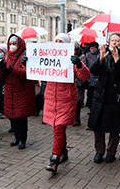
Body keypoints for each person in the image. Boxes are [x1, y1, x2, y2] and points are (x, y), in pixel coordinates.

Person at [88, 32, 120, 164]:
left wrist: (117, 61)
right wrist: (100, 59)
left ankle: (111, 151)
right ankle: (99, 151)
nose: (114, 43)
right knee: (97, 126)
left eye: (117, 40)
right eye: (112, 40)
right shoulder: (105, 54)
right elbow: (93, 71)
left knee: (115, 127)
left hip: (116, 97)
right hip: (100, 96)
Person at [43, 34, 90, 173]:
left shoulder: (72, 58)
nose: (58, 43)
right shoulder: (49, 57)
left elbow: (85, 76)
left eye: (61, 41)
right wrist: (27, 62)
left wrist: (79, 65)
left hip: (66, 99)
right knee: (57, 128)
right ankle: (63, 152)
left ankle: (54, 159)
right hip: (51, 97)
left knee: (59, 128)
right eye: (56, 41)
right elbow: (36, 71)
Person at [0, 34, 35, 149]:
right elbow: (0, 74)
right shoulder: (7, 56)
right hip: (10, 91)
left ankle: (23, 140)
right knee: (13, 117)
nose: (12, 46)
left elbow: (27, 73)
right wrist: (2, 70)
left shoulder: (25, 55)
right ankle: (16, 138)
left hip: (22, 91)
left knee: (21, 117)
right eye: (10, 44)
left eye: (15, 44)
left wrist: (13, 70)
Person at [74, 42, 88, 126]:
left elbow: (84, 68)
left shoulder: (82, 57)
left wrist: (77, 64)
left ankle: (77, 118)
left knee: (78, 101)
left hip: (78, 83)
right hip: (70, 82)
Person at [85, 42, 99, 108]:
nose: (93, 49)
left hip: (98, 78)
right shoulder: (87, 55)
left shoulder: (100, 55)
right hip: (90, 77)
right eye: (91, 48)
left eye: (94, 48)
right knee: (90, 94)